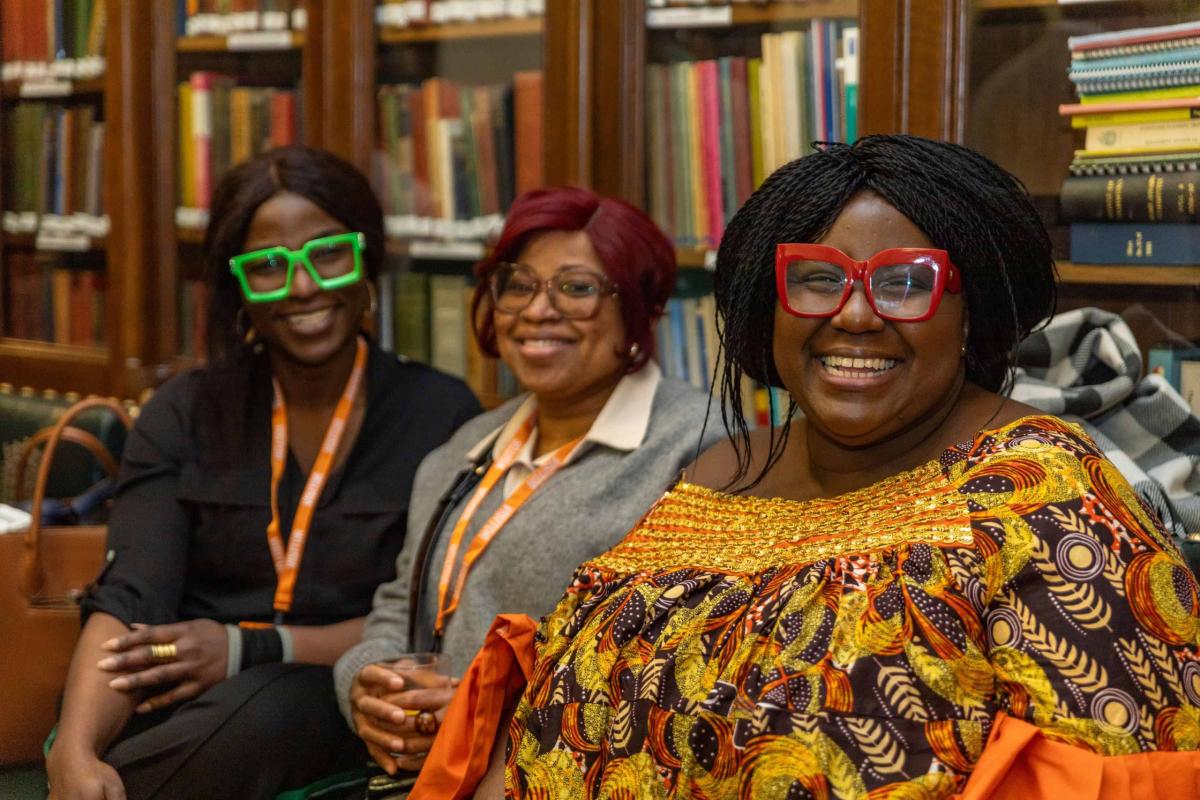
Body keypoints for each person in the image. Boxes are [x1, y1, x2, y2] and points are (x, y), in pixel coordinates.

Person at [464, 136, 1200, 797]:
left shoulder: (1045, 494)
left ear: (970, 310)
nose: (854, 314)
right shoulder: (717, 474)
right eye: (818, 278)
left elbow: (1130, 777)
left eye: (904, 283)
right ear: (770, 304)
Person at [45, 146, 481, 800]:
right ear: (237, 288)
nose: (302, 287)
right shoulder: (183, 411)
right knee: (119, 729)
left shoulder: (442, 417)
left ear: (366, 260)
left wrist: (247, 648)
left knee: (269, 710)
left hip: (333, 694)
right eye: (269, 266)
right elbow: (130, 600)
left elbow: (427, 623)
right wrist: (74, 751)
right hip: (181, 697)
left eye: (327, 254)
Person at [333, 186, 724, 779]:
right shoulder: (462, 449)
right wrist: (367, 683)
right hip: (427, 774)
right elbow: (399, 605)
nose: (538, 310)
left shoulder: (696, 449)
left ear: (639, 310)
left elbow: (675, 660)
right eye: (518, 286)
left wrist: (486, 709)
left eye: (577, 288)